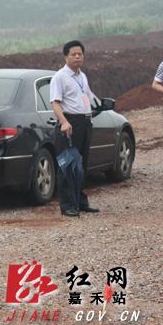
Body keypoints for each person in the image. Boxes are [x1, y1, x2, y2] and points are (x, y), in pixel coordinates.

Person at [50, 40, 100, 217]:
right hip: (70, 123)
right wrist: (64, 121)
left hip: (85, 123)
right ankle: (67, 205)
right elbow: (55, 103)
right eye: (73, 54)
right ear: (66, 56)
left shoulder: (82, 76)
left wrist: (96, 110)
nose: (78, 57)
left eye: (80, 54)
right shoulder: (60, 77)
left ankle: (80, 201)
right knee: (68, 165)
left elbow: (86, 98)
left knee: (82, 165)